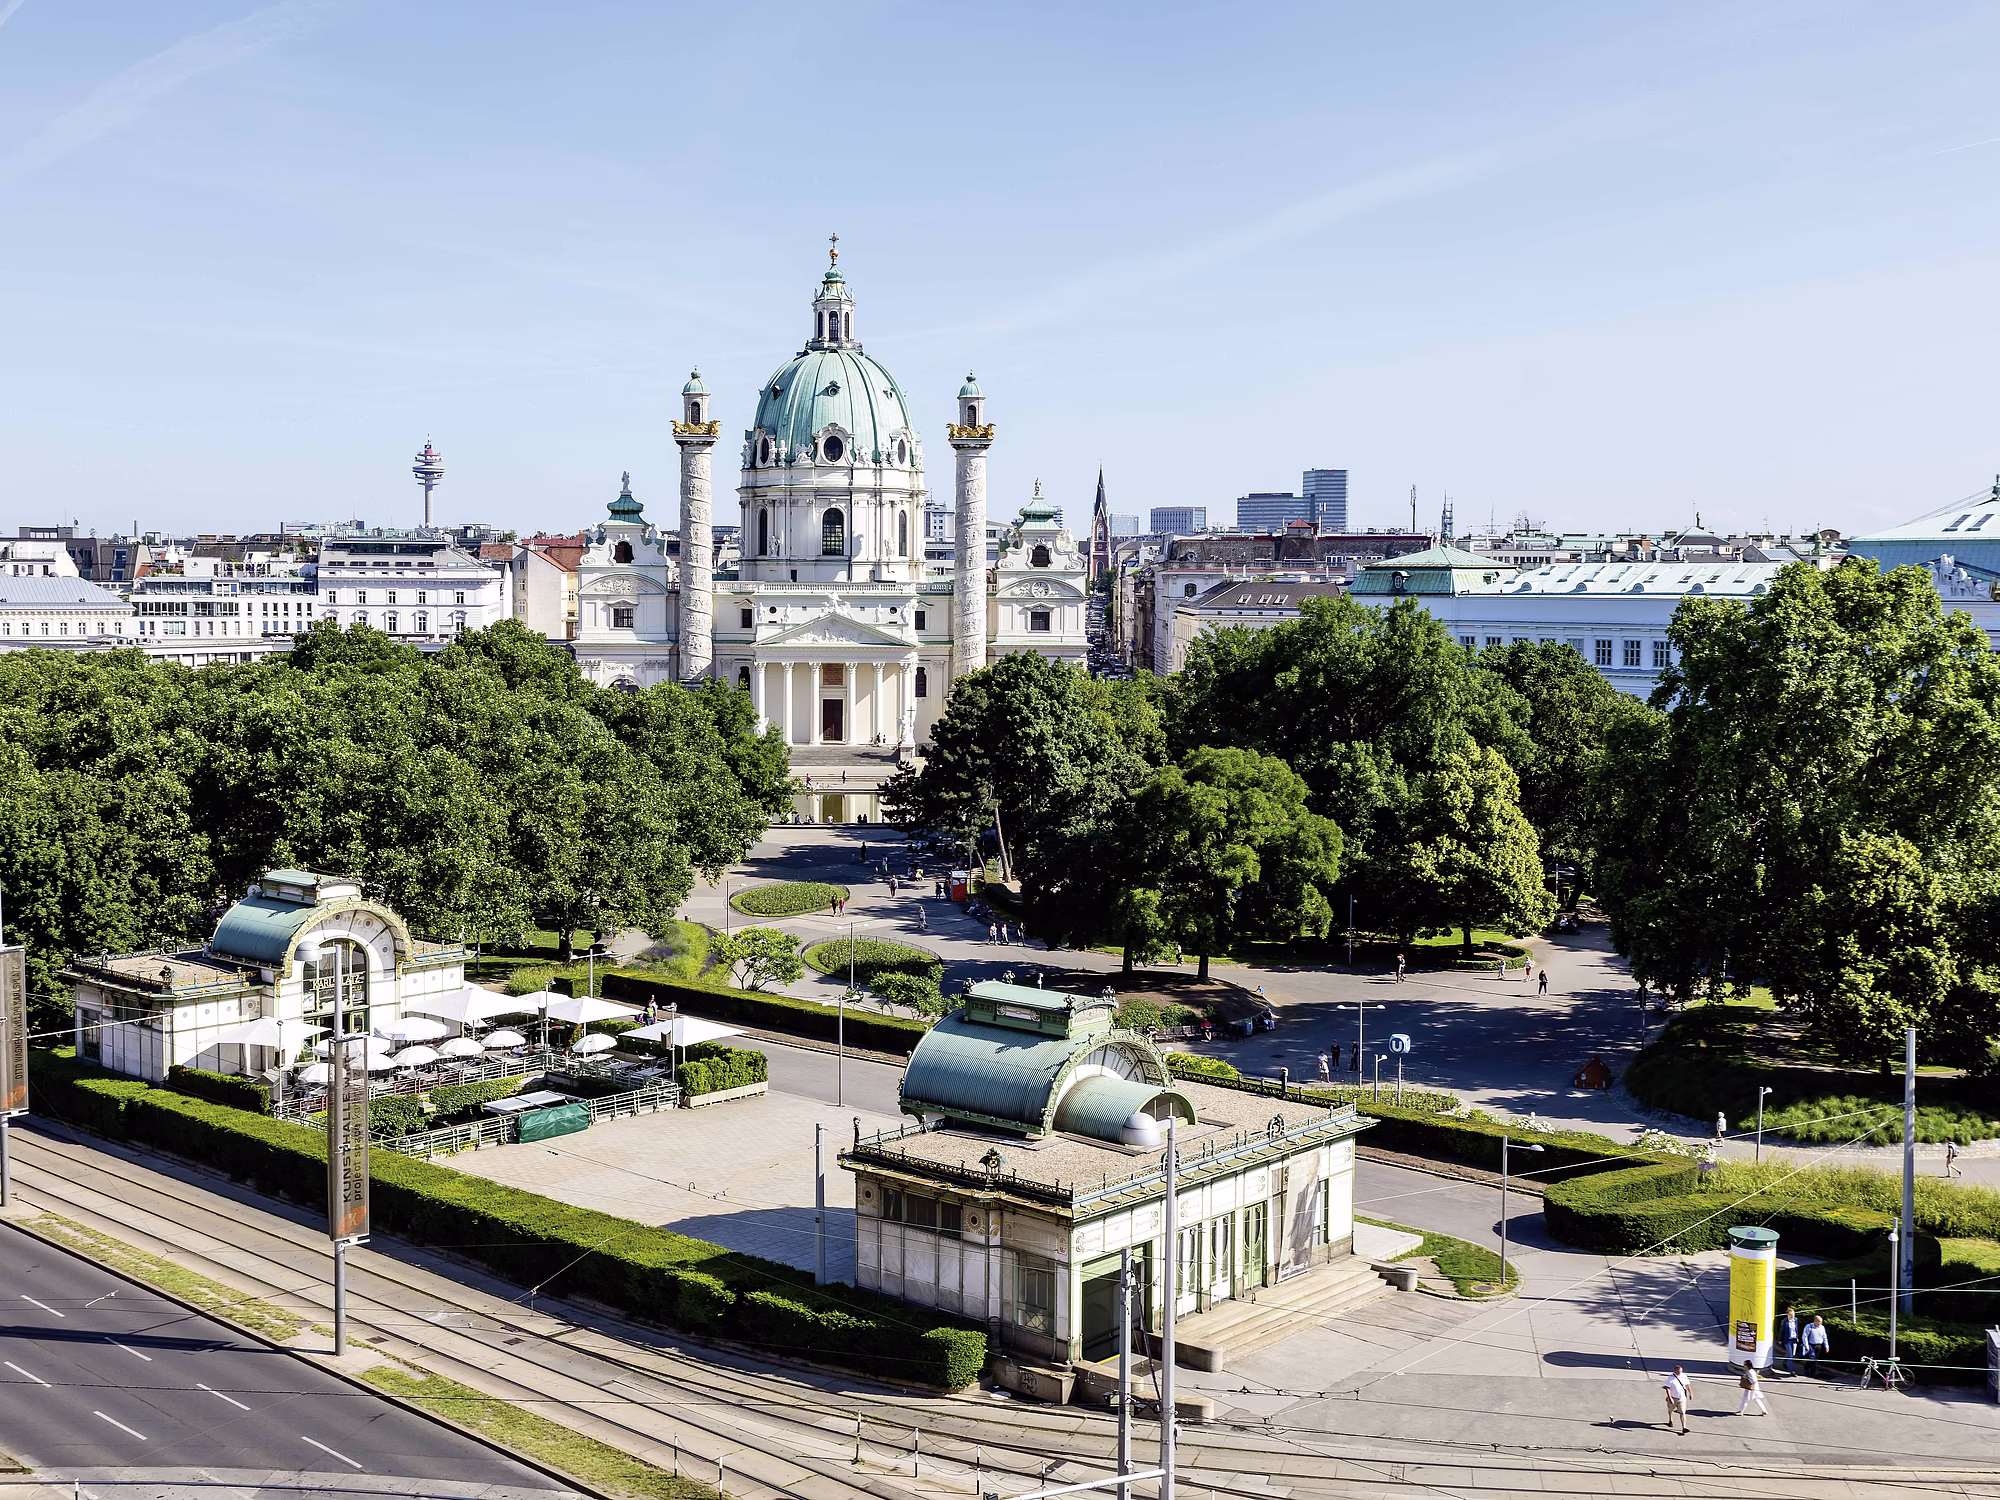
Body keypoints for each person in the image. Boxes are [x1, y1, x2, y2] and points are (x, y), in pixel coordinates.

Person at [1661, 1365, 1690, 1434]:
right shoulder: (1670, 1378)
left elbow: (1688, 1385)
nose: (1680, 1372)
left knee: (1683, 1412)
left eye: (1681, 1371)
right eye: (1679, 1371)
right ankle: (1670, 1419)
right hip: (1673, 1398)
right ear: (1675, 1371)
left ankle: (1684, 1428)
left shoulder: (1684, 1376)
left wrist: (1691, 1393)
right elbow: (1667, 1388)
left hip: (1682, 1398)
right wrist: (1670, 1397)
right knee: (1670, 1410)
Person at [1777, 1305, 1800, 1375]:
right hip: (1788, 1340)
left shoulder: (1796, 1320)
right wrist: (1780, 1339)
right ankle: (1791, 1371)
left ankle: (1785, 1361)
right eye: (1791, 1315)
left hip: (1794, 1339)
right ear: (1788, 1315)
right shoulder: (1785, 1322)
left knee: (1792, 1354)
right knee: (1790, 1356)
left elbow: (1796, 1329)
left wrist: (1797, 1337)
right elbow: (1782, 1331)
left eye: (1794, 1314)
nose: (1793, 1316)